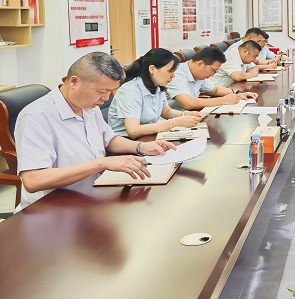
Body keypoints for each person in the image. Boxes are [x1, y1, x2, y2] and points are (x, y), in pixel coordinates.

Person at [14, 52, 177, 210]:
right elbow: (33, 180)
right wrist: (102, 163)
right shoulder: (36, 117)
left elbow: (109, 139)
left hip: (92, 195)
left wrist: (140, 147)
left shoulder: (88, 106)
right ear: (74, 82)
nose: (106, 98)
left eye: (110, 91)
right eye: (102, 91)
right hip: (53, 208)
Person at [108, 48, 202, 138]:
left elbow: (166, 111)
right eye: (170, 71)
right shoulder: (131, 90)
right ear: (152, 69)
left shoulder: (157, 85)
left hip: (146, 136)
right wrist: (173, 123)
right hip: (126, 141)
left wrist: (185, 115)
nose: (173, 76)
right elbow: (133, 131)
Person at [166, 47, 259, 110]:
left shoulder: (198, 75)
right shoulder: (176, 74)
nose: (212, 75)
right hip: (171, 121)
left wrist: (237, 94)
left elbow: (215, 90)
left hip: (189, 116)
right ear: (200, 63)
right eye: (213, 70)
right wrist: (224, 100)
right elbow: (188, 103)